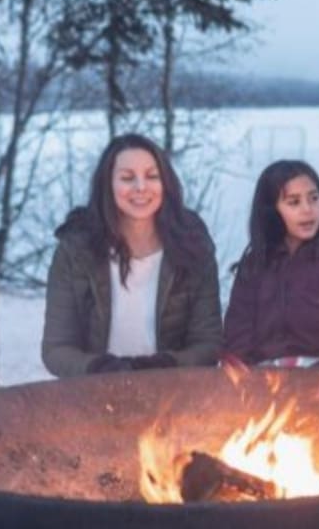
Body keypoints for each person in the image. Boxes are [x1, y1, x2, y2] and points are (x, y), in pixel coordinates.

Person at [42, 133, 222, 376]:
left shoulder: (193, 244)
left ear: (165, 183)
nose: (140, 187)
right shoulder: (76, 248)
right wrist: (96, 368)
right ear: (108, 184)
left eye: (152, 176)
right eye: (127, 178)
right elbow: (56, 349)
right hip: (92, 395)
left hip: (174, 394)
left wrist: (165, 365)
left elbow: (208, 345)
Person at [223, 159, 319, 370]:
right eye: (294, 202)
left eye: (314, 199)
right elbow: (236, 350)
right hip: (262, 393)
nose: (308, 210)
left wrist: (310, 382)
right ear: (272, 211)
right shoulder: (253, 267)